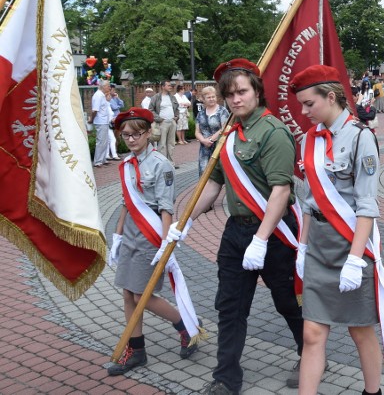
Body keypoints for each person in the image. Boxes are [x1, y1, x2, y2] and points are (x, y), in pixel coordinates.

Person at [165, 59, 304, 394]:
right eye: (229, 94)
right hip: (236, 231)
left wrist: (260, 239)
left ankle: (310, 351)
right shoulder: (228, 133)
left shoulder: (274, 132)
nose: (235, 99)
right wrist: (185, 221)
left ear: (257, 91)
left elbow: (281, 190)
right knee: (229, 305)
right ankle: (226, 378)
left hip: (273, 233)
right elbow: (213, 184)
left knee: (287, 300)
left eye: (241, 91)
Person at [291, 65, 384, 395]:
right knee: (312, 334)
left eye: (309, 104)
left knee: (360, 330)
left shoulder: (361, 138)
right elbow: (309, 200)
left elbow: (366, 205)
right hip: (319, 246)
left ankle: (372, 391)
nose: (304, 112)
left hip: (354, 244)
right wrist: (303, 247)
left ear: (331, 97)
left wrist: (353, 260)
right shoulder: (309, 139)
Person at [107, 108, 203, 376]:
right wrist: (116, 236)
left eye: (136, 134)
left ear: (149, 133)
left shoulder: (161, 164)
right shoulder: (126, 164)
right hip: (130, 232)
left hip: (151, 233)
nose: (131, 139)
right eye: (126, 135)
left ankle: (186, 325)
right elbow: (127, 203)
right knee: (128, 292)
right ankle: (136, 350)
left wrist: (165, 245)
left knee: (144, 295)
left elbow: (165, 209)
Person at [195, 85, 230, 176]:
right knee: (204, 174)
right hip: (204, 149)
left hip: (219, 146)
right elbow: (197, 131)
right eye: (208, 97)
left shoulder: (222, 111)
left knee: (222, 174)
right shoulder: (201, 113)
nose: (211, 99)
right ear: (203, 99)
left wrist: (211, 140)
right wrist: (203, 140)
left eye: (213, 97)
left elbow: (224, 128)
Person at [150, 81, 179, 164]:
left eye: (171, 85)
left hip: (172, 122)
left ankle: (171, 163)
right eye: (168, 85)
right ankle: (162, 163)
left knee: (171, 144)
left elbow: (177, 108)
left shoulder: (172, 97)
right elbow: (150, 109)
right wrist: (159, 118)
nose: (171, 87)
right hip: (162, 123)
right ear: (163, 86)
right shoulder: (156, 97)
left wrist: (176, 117)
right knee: (162, 144)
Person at [89, 79, 112, 167]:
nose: (109, 88)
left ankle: (102, 159)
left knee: (104, 141)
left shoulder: (102, 95)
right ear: (103, 86)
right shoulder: (98, 95)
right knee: (101, 141)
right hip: (100, 121)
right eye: (108, 86)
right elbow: (95, 110)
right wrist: (91, 119)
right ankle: (97, 161)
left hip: (104, 121)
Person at [107, 84, 124, 161]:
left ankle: (115, 152)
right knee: (114, 137)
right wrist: (118, 106)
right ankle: (112, 153)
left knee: (117, 137)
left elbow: (122, 104)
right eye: (113, 90)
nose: (114, 91)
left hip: (117, 119)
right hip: (112, 120)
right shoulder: (108, 99)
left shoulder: (114, 98)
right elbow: (114, 107)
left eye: (114, 90)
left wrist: (117, 98)